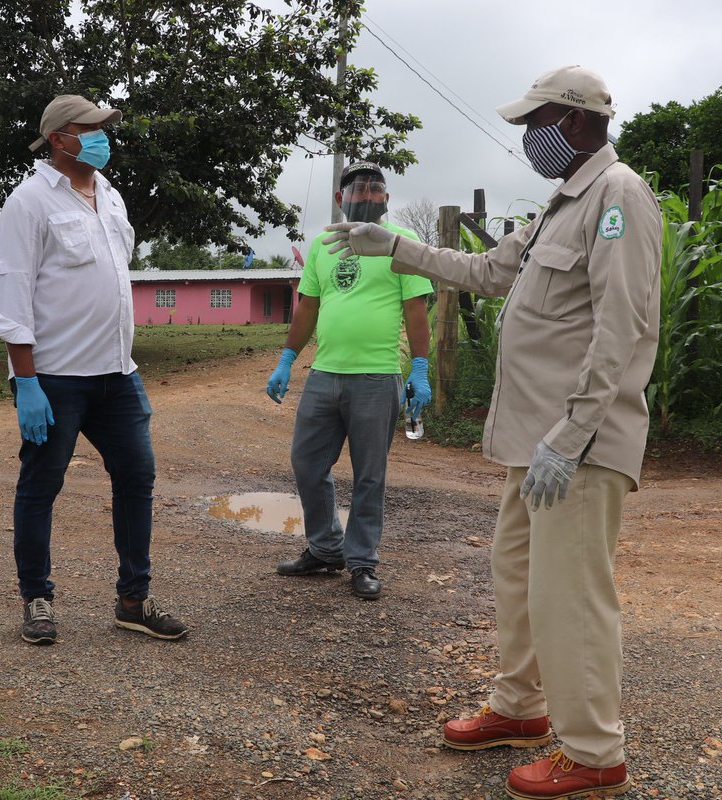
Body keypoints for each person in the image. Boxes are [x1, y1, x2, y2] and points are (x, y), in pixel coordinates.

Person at [323, 66, 661, 799]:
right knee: (520, 581)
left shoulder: (618, 196)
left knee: (571, 593)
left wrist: (571, 436)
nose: (525, 140)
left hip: (576, 446)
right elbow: (486, 271)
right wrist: (394, 246)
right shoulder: (559, 204)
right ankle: (521, 707)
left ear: (572, 122)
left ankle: (595, 750)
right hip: (531, 444)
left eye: (532, 124)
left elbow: (621, 327)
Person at [0, 94, 188, 645]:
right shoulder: (29, 202)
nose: (104, 136)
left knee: (137, 479)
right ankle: (37, 599)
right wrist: (26, 382)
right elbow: (13, 299)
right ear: (59, 138)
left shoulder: (111, 196)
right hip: (55, 381)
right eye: (92, 128)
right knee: (41, 486)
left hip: (118, 375)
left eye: (105, 128)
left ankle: (134, 600)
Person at [267, 161, 434, 601]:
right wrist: (287, 358)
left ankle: (362, 561)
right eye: (359, 189)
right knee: (307, 464)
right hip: (324, 374)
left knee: (369, 476)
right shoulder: (322, 244)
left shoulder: (403, 244)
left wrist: (420, 368)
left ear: (387, 201)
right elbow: (307, 306)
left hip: (377, 378)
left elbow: (417, 310)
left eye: (377, 190)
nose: (368, 196)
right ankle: (325, 549)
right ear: (340, 199)